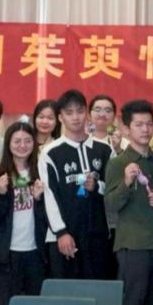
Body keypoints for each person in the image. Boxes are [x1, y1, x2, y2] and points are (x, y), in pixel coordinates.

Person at [105, 99, 153, 305]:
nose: (145, 129)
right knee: (133, 303)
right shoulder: (118, 163)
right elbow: (110, 205)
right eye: (139, 125)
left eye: (149, 124)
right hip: (133, 245)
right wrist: (126, 182)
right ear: (125, 128)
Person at [39, 90, 113, 281]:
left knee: (98, 289)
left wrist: (96, 187)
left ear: (86, 113)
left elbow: (114, 189)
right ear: (60, 117)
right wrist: (61, 232)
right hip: (65, 235)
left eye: (80, 111)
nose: (75, 117)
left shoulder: (104, 149)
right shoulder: (50, 153)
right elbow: (49, 195)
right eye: (69, 113)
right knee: (66, 292)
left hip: (97, 234)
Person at [0, 121, 48, 305]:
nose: (22, 145)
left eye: (27, 141)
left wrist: (38, 199)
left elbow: (50, 215)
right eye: (17, 141)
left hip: (36, 251)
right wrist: (1, 194)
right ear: (8, 144)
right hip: (6, 253)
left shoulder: (41, 172)